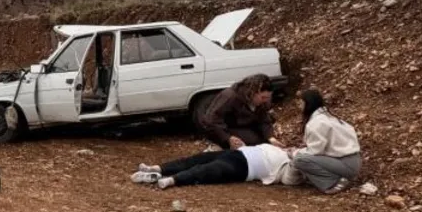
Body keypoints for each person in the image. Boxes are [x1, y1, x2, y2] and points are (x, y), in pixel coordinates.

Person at [131, 143, 302, 190]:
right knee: (195, 159)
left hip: (244, 167)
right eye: (293, 148)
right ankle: (157, 169)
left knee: (206, 170)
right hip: (236, 153)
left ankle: (173, 180)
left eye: (296, 150)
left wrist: (295, 159)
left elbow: (289, 179)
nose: (292, 149)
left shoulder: (286, 165)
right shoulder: (273, 147)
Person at [291, 89, 362, 194]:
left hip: (345, 163)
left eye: (301, 102)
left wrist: (295, 152)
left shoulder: (316, 123)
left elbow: (315, 151)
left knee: (300, 160)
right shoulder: (328, 117)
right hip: (353, 161)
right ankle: (337, 178)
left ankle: (333, 182)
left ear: (308, 103)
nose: (299, 106)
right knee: (302, 157)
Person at [198, 74, 282, 150]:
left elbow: (264, 120)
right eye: (263, 97)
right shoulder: (229, 96)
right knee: (249, 142)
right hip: (225, 129)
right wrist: (227, 137)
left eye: (268, 97)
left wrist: (270, 137)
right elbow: (211, 120)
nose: (265, 101)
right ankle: (216, 148)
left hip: (246, 127)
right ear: (253, 92)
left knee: (264, 142)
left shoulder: (263, 102)